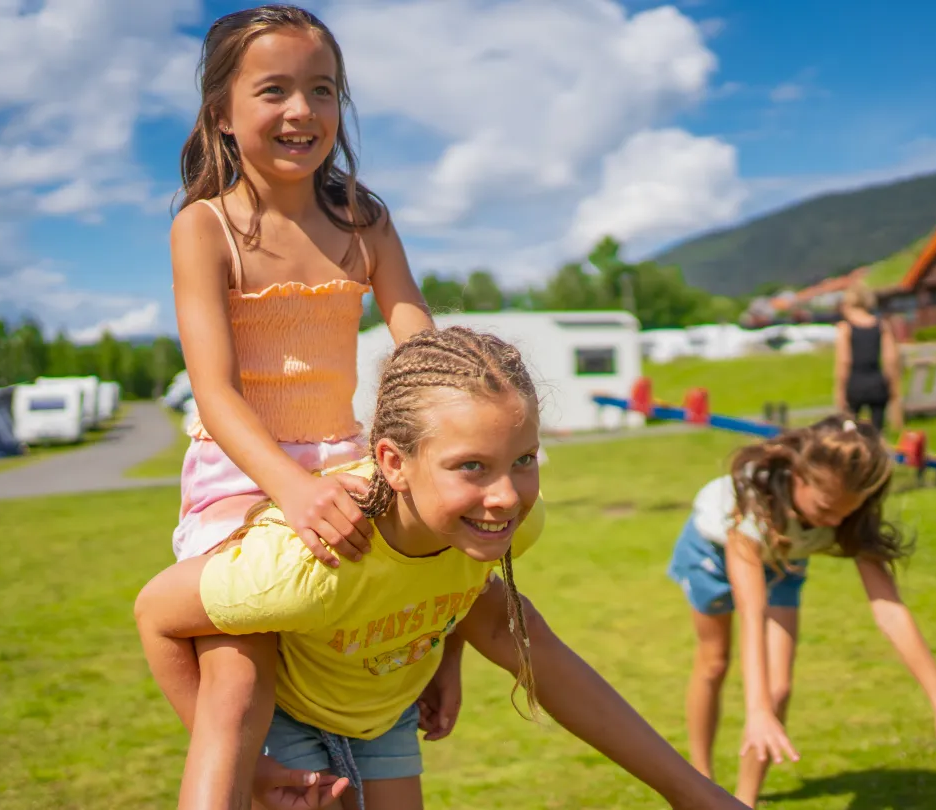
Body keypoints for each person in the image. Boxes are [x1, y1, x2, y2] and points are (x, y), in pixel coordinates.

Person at [135, 326, 753, 810]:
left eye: (524, 459)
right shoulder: (310, 563)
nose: (507, 495)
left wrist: (690, 793)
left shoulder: (499, 527)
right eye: (472, 466)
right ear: (392, 463)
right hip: (289, 721)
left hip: (386, 711)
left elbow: (513, 635)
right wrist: (253, 766)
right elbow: (157, 614)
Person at [167, 5, 437, 805]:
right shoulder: (204, 226)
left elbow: (414, 335)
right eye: (274, 90)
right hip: (241, 476)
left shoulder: (363, 219)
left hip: (346, 459)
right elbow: (214, 392)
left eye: (322, 90)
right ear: (221, 112)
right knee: (239, 681)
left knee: (456, 590)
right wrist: (291, 490)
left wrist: (441, 417)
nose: (301, 111)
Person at [666, 417, 936, 807]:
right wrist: (755, 710)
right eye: (826, 508)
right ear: (798, 477)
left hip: (785, 559)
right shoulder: (751, 504)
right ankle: (699, 781)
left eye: (847, 512)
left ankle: (744, 802)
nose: (835, 522)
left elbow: (890, 611)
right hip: (713, 553)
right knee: (714, 662)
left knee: (780, 689)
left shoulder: (849, 514)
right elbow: (751, 613)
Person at [833, 281, 901, 434]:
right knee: (878, 431)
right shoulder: (882, 326)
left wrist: (840, 389)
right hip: (877, 382)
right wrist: (893, 386)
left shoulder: (845, 328)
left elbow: (844, 361)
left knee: (849, 432)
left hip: (855, 383)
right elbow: (890, 359)